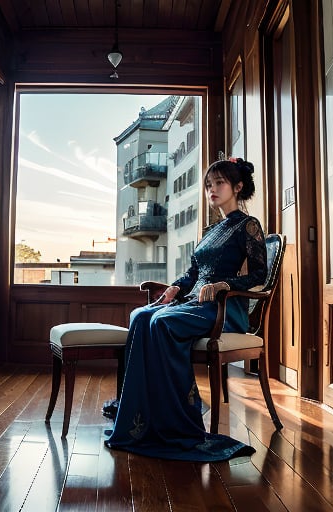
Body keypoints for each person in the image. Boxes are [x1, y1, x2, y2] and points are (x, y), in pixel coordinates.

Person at [104, 157, 268, 462]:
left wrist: (223, 285)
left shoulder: (249, 226)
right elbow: (193, 273)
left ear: (238, 186)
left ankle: (178, 419)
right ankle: (140, 413)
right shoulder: (211, 229)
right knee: (140, 316)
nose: (212, 190)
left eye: (219, 183)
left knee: (161, 323)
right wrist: (175, 287)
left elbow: (259, 275)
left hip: (222, 308)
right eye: (208, 185)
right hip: (195, 301)